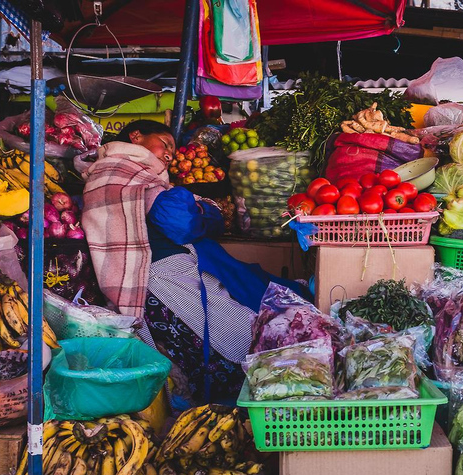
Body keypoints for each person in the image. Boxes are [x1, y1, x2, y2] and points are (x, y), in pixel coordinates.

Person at [80, 120, 310, 407]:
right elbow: (180, 222)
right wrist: (197, 206)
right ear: (135, 136)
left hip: (155, 282)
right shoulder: (123, 170)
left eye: (173, 149)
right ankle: (235, 407)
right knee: (240, 337)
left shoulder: (128, 174)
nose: (169, 153)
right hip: (162, 283)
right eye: (164, 143)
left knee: (233, 335)